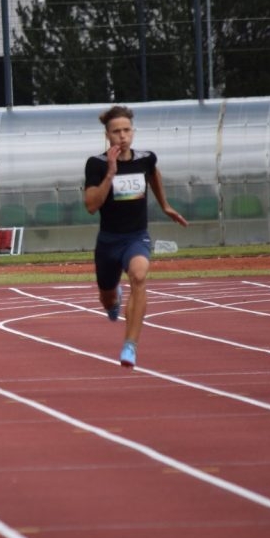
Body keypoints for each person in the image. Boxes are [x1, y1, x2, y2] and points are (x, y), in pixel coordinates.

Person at [83, 105, 188, 368]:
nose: (122, 136)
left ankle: (130, 344)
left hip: (136, 237)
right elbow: (91, 205)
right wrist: (110, 172)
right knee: (107, 296)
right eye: (116, 131)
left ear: (133, 131)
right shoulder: (96, 164)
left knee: (139, 276)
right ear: (107, 135)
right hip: (108, 241)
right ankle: (112, 299)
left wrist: (164, 205)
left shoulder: (146, 159)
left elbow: (153, 173)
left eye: (127, 130)